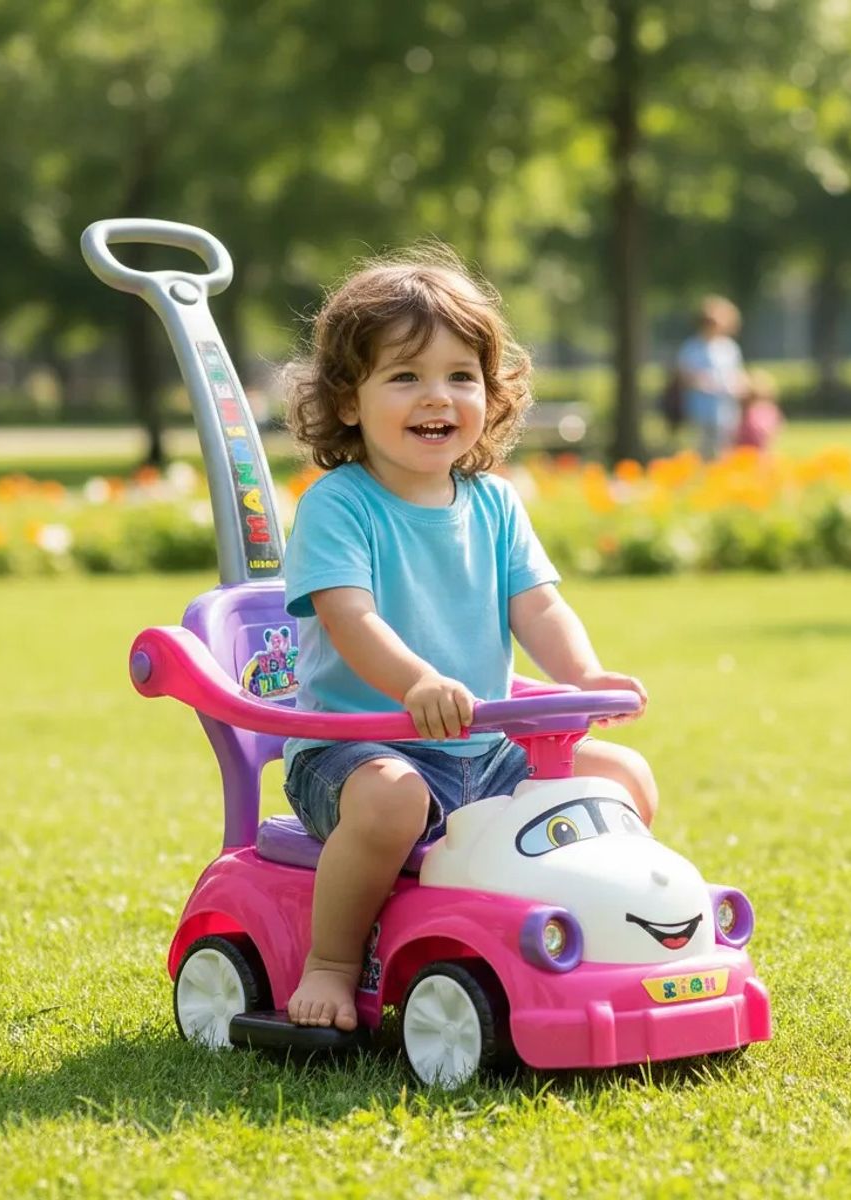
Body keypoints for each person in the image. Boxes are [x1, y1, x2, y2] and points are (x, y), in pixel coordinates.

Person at [280, 247, 656, 1029]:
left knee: (622, 778)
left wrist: (585, 675)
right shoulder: (338, 506)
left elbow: (539, 607)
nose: (437, 396)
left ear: (491, 394)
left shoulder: (493, 503)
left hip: (485, 749)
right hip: (357, 750)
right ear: (348, 401)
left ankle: (586, 932)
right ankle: (332, 962)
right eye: (405, 376)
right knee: (394, 799)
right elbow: (352, 619)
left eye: (461, 376)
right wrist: (416, 683)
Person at [676, 296, 746, 460]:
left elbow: (737, 374)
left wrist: (739, 385)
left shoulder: (729, 348)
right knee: (702, 448)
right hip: (701, 408)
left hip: (727, 408)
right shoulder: (691, 348)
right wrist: (701, 382)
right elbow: (684, 376)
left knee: (725, 449)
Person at [734, 368, 783, 455]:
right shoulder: (770, 409)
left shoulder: (753, 411)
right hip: (759, 450)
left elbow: (756, 430)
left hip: (747, 450)